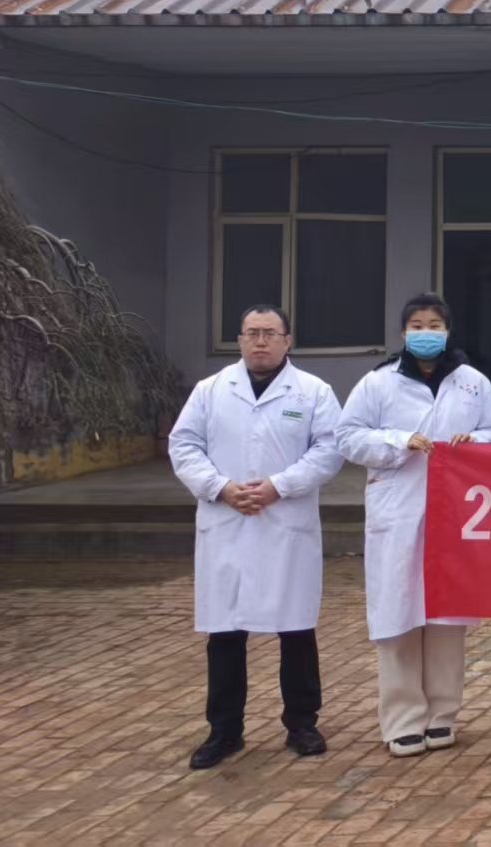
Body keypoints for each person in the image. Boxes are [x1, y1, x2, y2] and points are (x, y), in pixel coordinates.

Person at [167, 304, 344, 770]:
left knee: (296, 629)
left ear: (288, 340)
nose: (260, 341)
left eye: (269, 333)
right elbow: (183, 445)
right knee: (225, 633)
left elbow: (330, 450)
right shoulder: (211, 390)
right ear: (240, 339)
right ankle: (224, 730)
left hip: (285, 523)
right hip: (227, 523)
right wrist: (221, 488)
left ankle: (302, 723)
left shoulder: (313, 392)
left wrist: (279, 486)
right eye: (251, 333)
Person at [335, 292, 491, 758]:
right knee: (399, 615)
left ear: (448, 331)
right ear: (403, 332)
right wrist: (399, 441)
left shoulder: (472, 382)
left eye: (434, 325)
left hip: (455, 511)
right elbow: (347, 436)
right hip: (399, 508)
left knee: (447, 615)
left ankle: (443, 715)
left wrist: (476, 442)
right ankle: (404, 719)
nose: (426, 333)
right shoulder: (378, 382)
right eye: (417, 325)